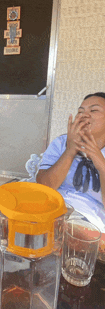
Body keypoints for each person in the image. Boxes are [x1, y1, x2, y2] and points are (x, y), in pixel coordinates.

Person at [36, 92, 105, 232]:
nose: (84, 115)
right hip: (51, 207)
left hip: (89, 221)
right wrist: (70, 150)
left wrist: (101, 165)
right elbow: (45, 186)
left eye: (94, 110)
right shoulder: (61, 143)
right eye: (80, 111)